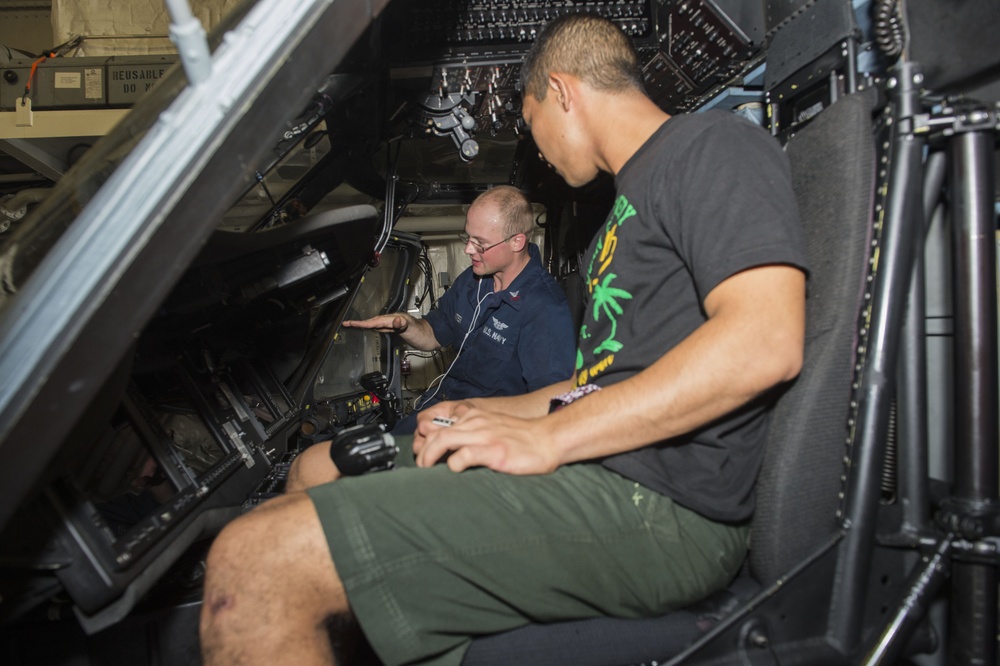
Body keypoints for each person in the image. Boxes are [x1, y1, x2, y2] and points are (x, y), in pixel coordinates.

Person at [199, 13, 808, 666]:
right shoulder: (623, 213)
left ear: (563, 92)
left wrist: (547, 438)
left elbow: (765, 341)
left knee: (253, 559)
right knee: (313, 468)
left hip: (660, 509)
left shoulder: (711, 148)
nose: (536, 147)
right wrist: (487, 413)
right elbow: (602, 381)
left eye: (532, 118)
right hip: (605, 471)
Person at [342, 186, 575, 435]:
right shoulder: (475, 278)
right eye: (468, 238)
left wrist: (471, 417)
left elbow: (553, 402)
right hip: (439, 407)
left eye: (480, 243)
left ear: (517, 242)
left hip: (483, 430)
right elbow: (434, 334)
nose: (468, 250)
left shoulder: (544, 308)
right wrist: (408, 325)